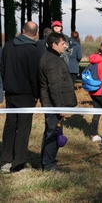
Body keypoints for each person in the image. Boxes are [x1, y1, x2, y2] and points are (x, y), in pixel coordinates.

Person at [0, 21, 40, 173]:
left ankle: (5, 161)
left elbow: (2, 67)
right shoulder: (32, 50)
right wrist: (36, 94)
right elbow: (34, 75)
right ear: (35, 34)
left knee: (10, 125)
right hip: (26, 93)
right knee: (23, 127)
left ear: (22, 30)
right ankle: (18, 163)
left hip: (10, 92)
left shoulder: (9, 45)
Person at [39, 33, 77, 172]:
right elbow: (54, 86)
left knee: (52, 132)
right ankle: (49, 165)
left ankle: (47, 162)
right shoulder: (52, 60)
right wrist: (60, 106)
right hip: (53, 105)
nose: (65, 46)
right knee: (53, 133)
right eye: (62, 44)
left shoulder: (51, 57)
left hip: (52, 104)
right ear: (54, 45)